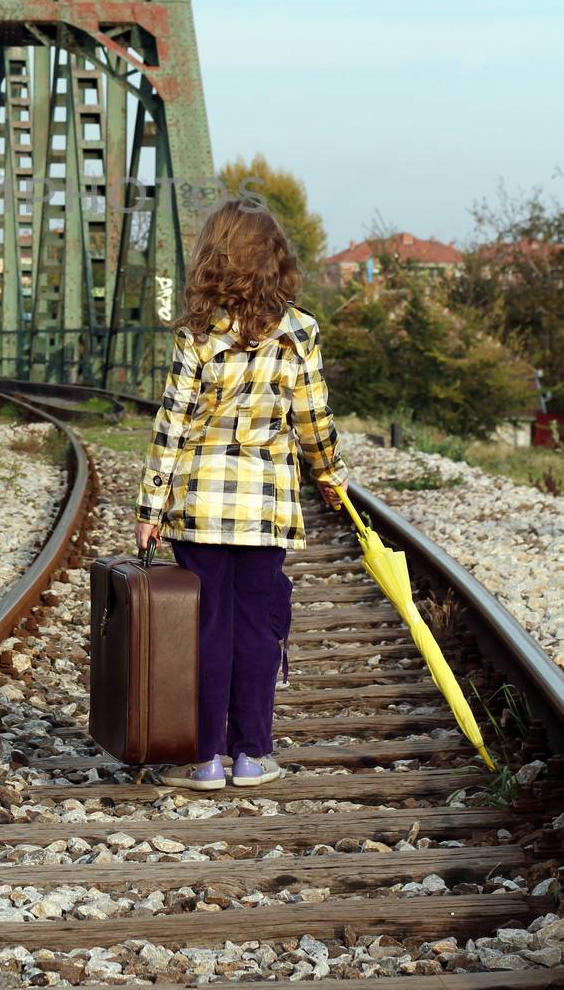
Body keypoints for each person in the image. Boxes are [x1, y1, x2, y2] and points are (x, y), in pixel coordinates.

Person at [133, 196, 349, 790]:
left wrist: (150, 509)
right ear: (275, 261)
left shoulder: (198, 334)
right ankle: (252, 755)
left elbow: (171, 424)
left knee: (204, 627)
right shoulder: (299, 332)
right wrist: (331, 477)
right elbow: (313, 421)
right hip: (266, 508)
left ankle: (203, 759)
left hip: (199, 506)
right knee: (258, 625)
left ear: (215, 259)